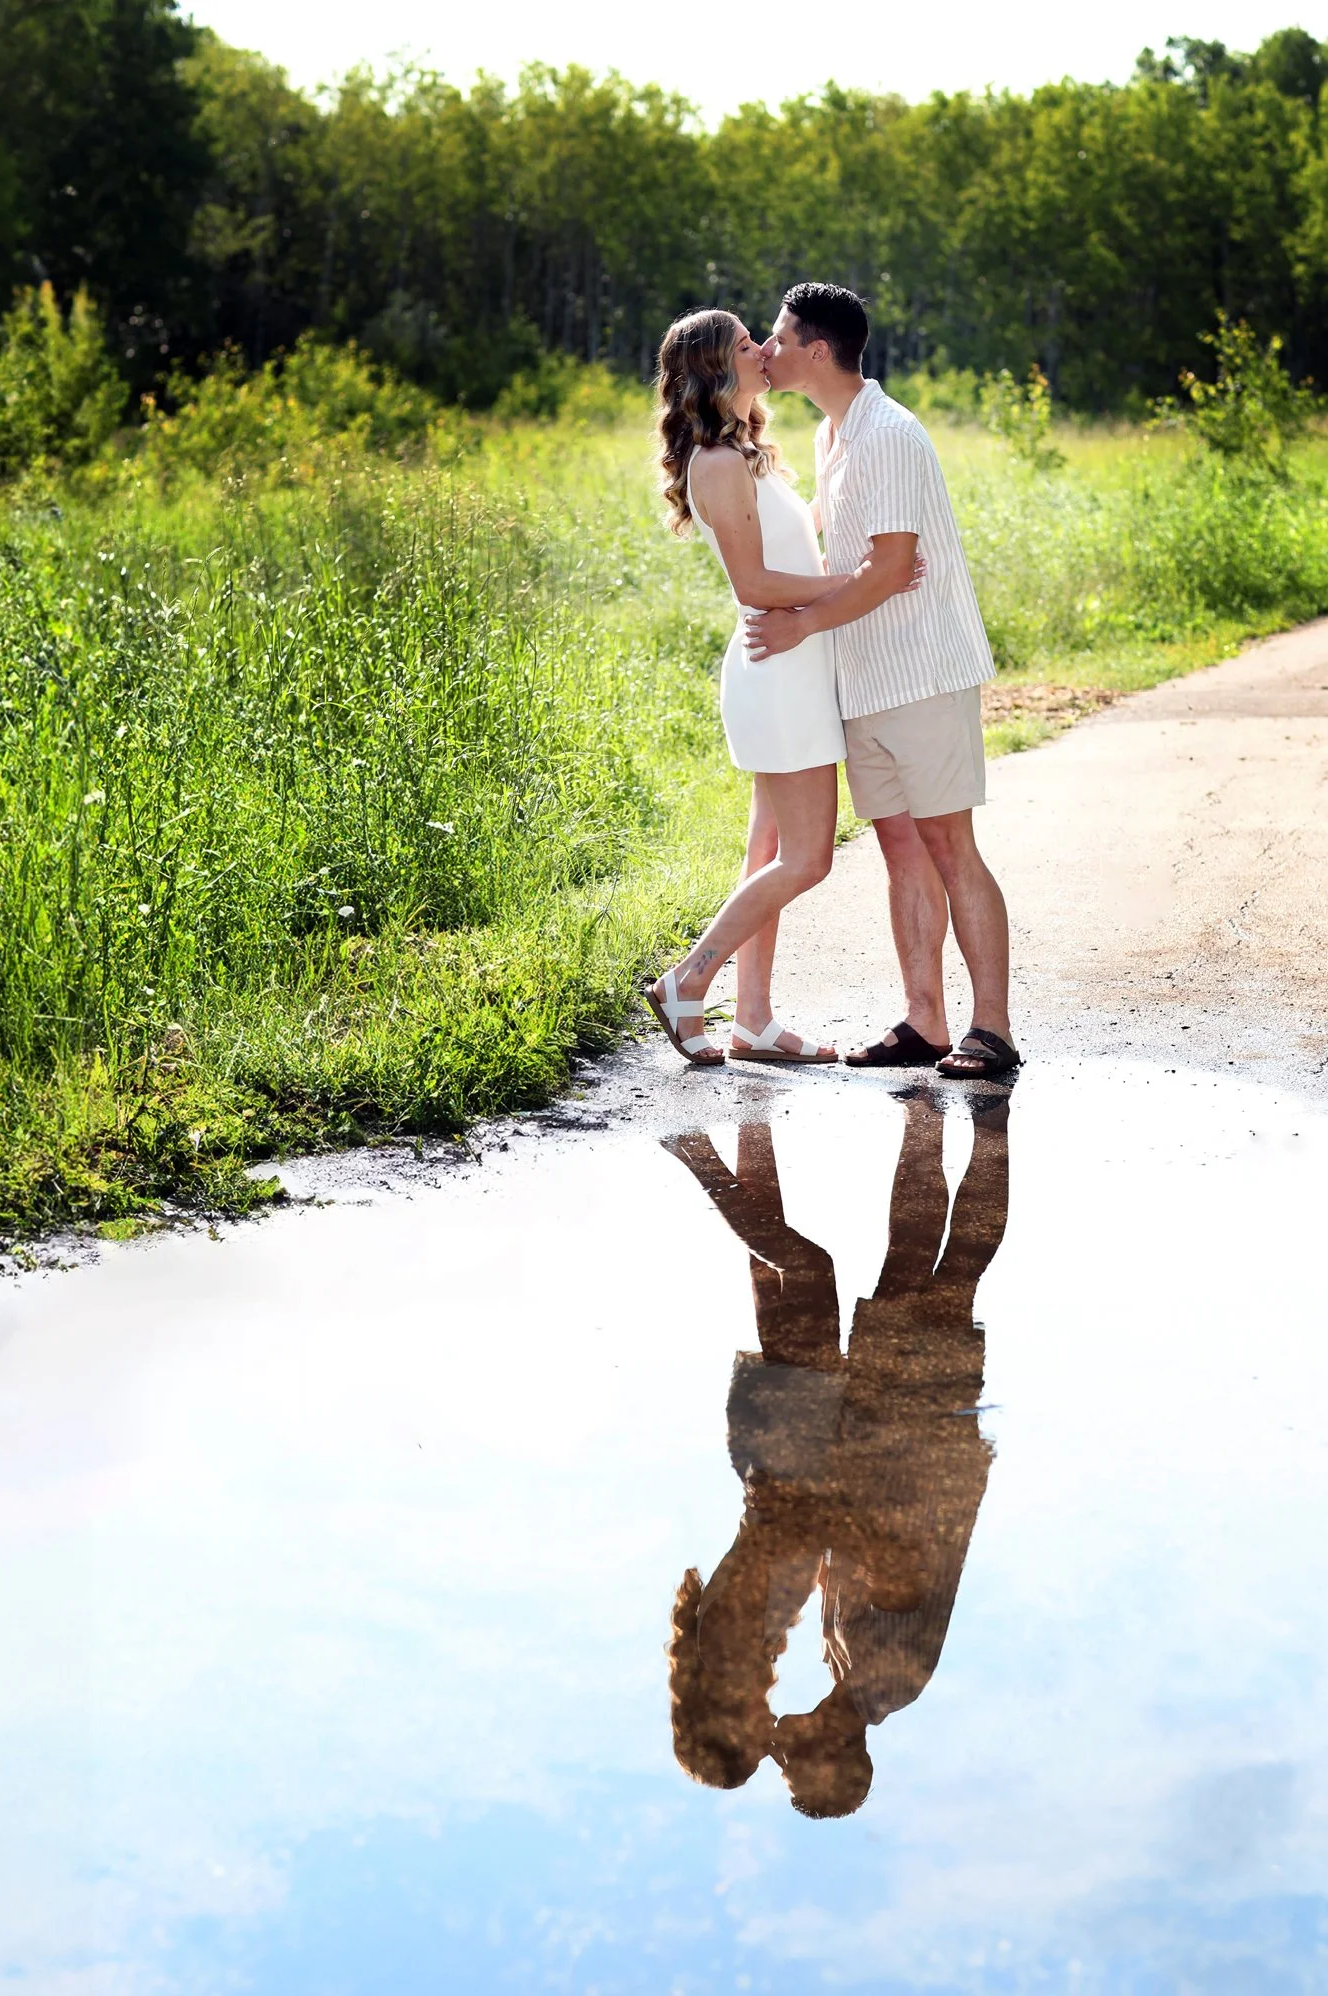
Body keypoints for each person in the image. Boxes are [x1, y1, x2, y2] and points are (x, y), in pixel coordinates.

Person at [662, 1089, 1011, 1817]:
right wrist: (836, 1515)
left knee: (815, 1270)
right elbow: (893, 1561)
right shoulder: (875, 1677)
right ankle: (971, 1116)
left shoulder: (798, 1662)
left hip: (826, 1443)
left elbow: (815, 1540)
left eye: (768, 1755)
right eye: (790, 1763)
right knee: (937, 1268)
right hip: (912, 1440)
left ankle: (729, 1133)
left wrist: (828, 1508)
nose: (779, 1748)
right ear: (833, 1755)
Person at [750, 283, 1021, 1081]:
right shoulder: (833, 435)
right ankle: (924, 1022)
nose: (766, 351)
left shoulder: (889, 434)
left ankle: (993, 1030)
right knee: (900, 847)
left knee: (947, 845)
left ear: (818, 350)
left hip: (922, 671)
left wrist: (803, 621)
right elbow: (862, 567)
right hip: (862, 674)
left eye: (777, 338)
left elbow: (895, 566)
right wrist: (840, 593)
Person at [645, 308, 924, 1068]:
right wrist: (860, 580)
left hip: (797, 664)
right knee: (807, 859)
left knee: (768, 847)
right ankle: (686, 981)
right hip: (776, 670)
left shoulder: (748, 451)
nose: (763, 351)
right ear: (714, 367)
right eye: (745, 344)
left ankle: (755, 1022)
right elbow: (755, 583)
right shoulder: (717, 462)